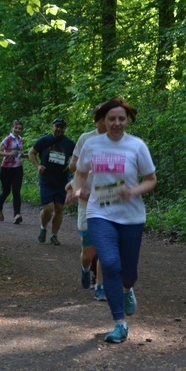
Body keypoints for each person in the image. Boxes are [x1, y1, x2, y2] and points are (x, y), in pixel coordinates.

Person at [67, 99, 157, 344]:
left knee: (128, 272)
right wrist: (76, 190)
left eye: (121, 119)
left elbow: (151, 179)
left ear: (127, 120)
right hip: (99, 213)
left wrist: (134, 191)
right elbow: (81, 172)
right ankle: (119, 323)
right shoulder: (92, 145)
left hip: (131, 216)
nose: (117, 123)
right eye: (112, 119)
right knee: (108, 262)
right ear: (103, 121)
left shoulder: (137, 146)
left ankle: (127, 289)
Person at [66, 105, 107, 300]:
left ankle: (100, 286)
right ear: (95, 119)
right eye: (101, 116)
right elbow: (72, 165)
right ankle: (84, 267)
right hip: (86, 198)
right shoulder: (85, 138)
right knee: (88, 252)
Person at [27, 117, 75, 245]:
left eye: (61, 127)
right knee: (48, 208)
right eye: (57, 126)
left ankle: (54, 235)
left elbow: (76, 158)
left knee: (59, 208)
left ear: (64, 129)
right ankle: (43, 228)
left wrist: (72, 166)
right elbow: (31, 153)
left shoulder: (69, 144)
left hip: (62, 181)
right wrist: (37, 166)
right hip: (46, 180)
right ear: (52, 126)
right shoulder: (44, 140)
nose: (59, 129)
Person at [0, 119, 25, 224]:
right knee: (6, 191)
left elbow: (19, 153)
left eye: (20, 128)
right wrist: (10, 154)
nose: (17, 130)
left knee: (16, 191)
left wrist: (26, 155)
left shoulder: (21, 140)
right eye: (16, 127)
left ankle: (17, 215)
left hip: (17, 168)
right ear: (12, 128)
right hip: (6, 169)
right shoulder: (7, 139)